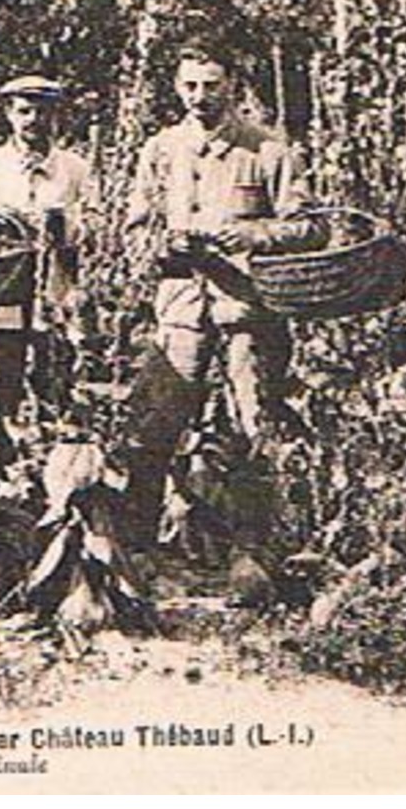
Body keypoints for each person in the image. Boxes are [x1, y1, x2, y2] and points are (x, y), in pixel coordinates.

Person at [119, 36, 322, 572]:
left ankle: (257, 551)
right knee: (156, 419)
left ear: (232, 83)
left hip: (246, 309)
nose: (199, 96)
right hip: (182, 302)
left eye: (211, 85)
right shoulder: (160, 149)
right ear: (175, 86)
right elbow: (135, 228)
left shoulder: (269, 149)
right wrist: (164, 243)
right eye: (189, 85)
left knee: (255, 424)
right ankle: (141, 548)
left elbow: (308, 227)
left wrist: (252, 236)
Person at [0, 74, 96, 472]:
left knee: (54, 376)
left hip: (54, 292)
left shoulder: (75, 168)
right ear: (9, 115)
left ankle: (53, 465)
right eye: (24, 111)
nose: (33, 120)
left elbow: (96, 225)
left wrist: (63, 222)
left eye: (42, 111)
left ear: (56, 116)